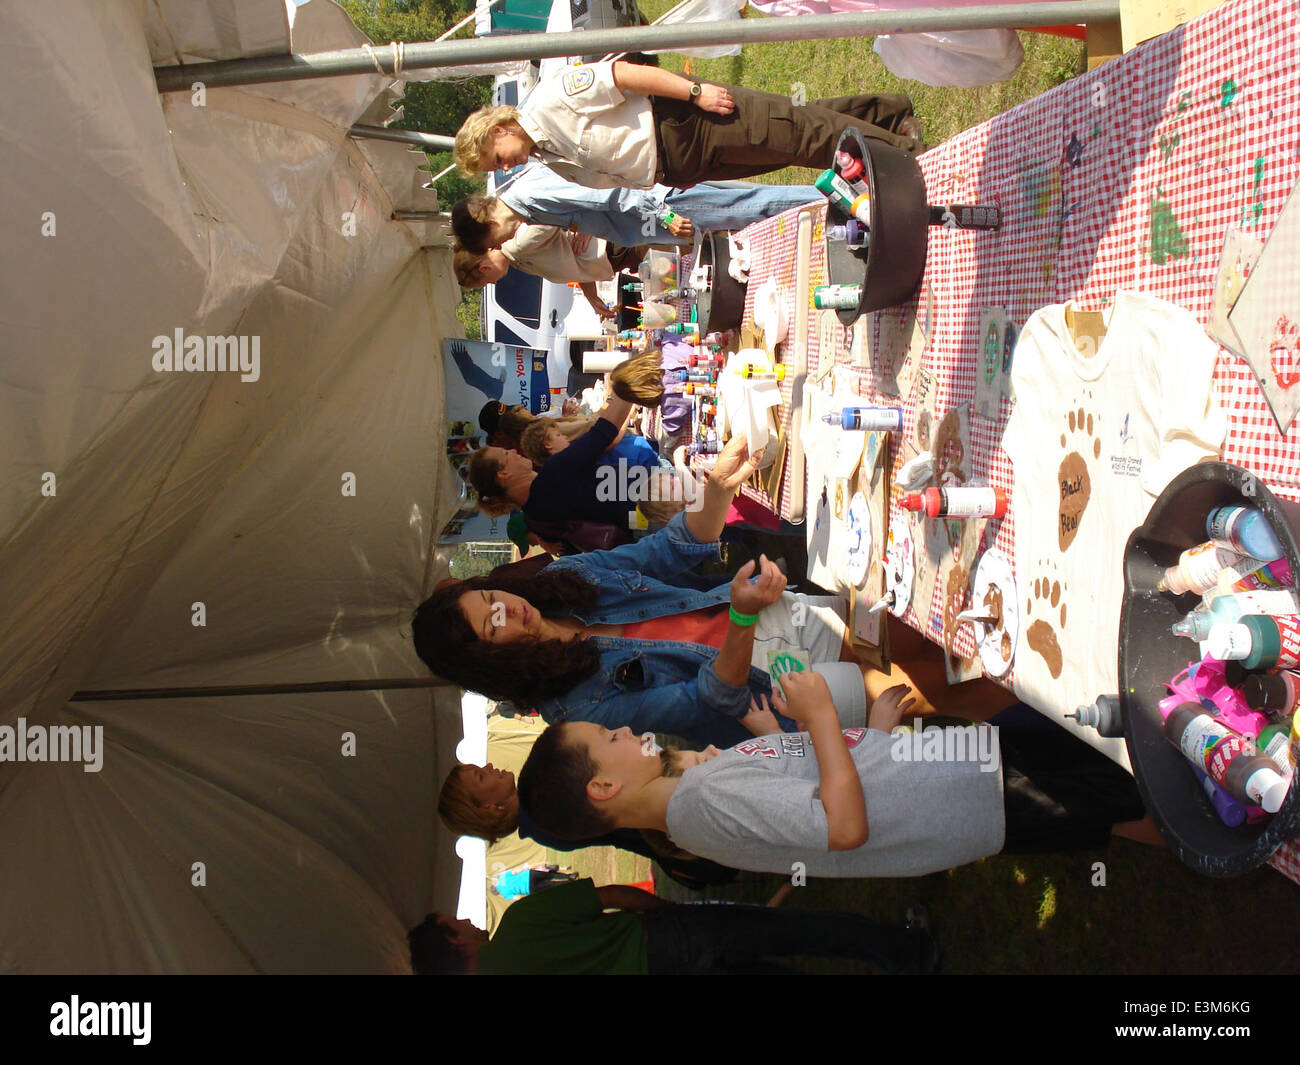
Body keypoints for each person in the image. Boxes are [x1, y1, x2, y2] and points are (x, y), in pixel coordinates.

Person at [415, 431, 886, 748]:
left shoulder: (558, 583)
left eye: (493, 599)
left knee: (893, 633)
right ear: (490, 661)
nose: (508, 610)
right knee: (904, 689)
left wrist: (718, 488)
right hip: (769, 690)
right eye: (491, 627)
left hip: (768, 614)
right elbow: (706, 701)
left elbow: (665, 550)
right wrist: (742, 618)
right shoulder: (574, 707)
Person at [516, 669, 1157, 879]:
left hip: (951, 780)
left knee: (1109, 784)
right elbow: (844, 827)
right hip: (971, 799)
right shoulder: (702, 802)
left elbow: (812, 799)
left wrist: (868, 734)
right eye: (609, 738)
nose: (624, 730)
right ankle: (1229, 809)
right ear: (604, 787)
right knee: (1134, 791)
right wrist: (823, 715)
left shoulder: (693, 802)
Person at [453, 61, 921, 190]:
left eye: (496, 160)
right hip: (681, 163)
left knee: (798, 132)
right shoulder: (545, 154)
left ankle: (903, 156)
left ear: (498, 131)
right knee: (791, 140)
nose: (504, 167)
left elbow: (624, 76)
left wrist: (695, 92)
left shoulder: (552, 99)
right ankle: (889, 116)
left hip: (683, 122)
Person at [409, 878, 939, 974]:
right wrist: (673, 914)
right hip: (668, 939)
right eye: (454, 920)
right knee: (801, 931)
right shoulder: (519, 921)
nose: (466, 919)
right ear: (454, 941)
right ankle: (910, 953)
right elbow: (614, 896)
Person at [438, 760, 739, 890]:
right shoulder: (543, 811)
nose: (490, 768)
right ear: (488, 807)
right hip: (683, 836)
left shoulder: (538, 813)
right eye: (481, 776)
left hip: (679, 836)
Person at [465, 163, 823, 252]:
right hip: (658, 207)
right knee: (751, 205)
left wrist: (665, 217)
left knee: (755, 207)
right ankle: (828, 198)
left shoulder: (530, 195)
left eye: (491, 241)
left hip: (664, 203)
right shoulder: (530, 208)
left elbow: (610, 194)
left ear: (488, 221)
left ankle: (831, 199)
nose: (499, 247)